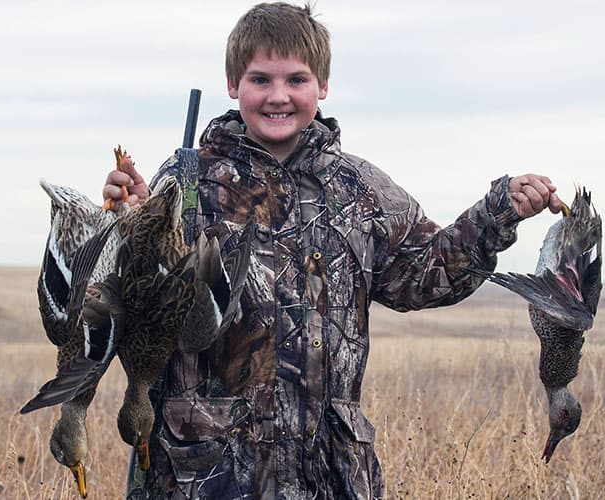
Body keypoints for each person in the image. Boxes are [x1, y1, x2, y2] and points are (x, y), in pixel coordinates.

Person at [102, 3, 563, 499]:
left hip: (330, 474)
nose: (278, 96)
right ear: (233, 84)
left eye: (296, 80)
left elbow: (425, 275)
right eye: (261, 79)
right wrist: (132, 220)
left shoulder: (359, 188)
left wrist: (498, 213)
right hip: (208, 475)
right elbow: (139, 305)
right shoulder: (186, 182)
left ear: (322, 85)